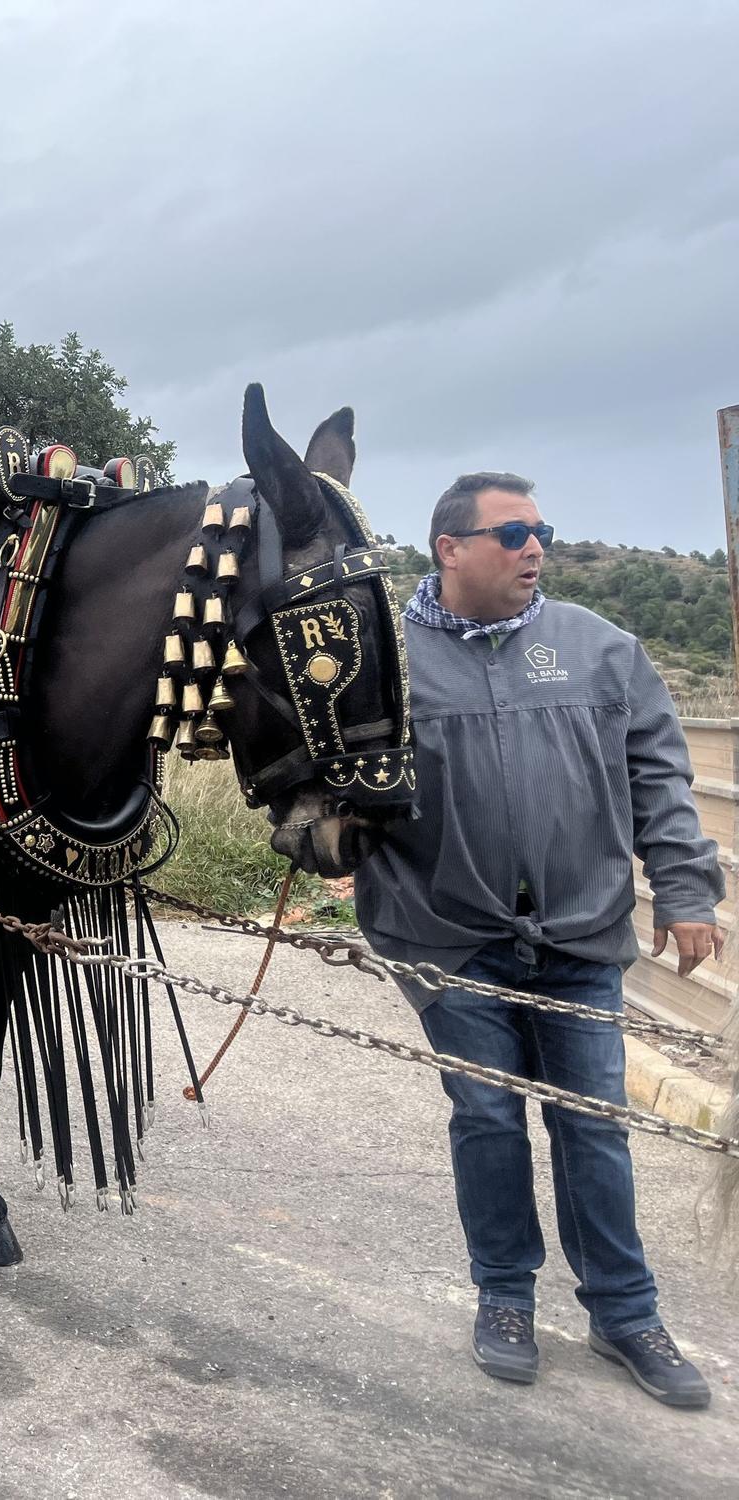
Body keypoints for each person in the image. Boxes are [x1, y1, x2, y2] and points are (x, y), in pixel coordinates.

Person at [355, 472, 723, 1409]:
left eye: (541, 531)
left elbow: (659, 776)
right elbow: (330, 785)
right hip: (448, 941)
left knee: (591, 1123)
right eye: (513, 533)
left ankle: (624, 1311)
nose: (535, 549)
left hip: (582, 934)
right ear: (450, 548)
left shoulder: (601, 649)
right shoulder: (384, 662)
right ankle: (505, 1298)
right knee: (486, 1118)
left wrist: (685, 890)